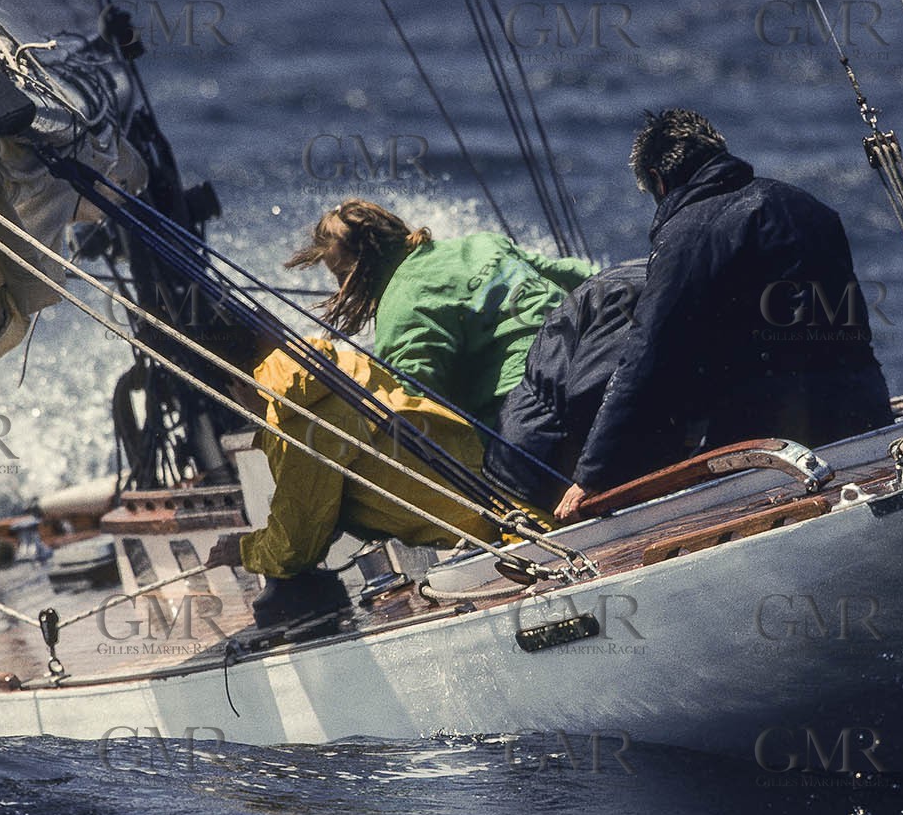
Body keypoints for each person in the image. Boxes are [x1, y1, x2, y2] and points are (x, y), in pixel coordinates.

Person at [556, 109, 893, 521]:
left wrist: (592, 475)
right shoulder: (808, 207)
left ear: (659, 181)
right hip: (867, 411)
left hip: (774, 439)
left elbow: (647, 355)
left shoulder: (688, 232)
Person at [205, 337, 497, 625]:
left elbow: (295, 546)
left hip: (485, 543)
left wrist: (244, 550)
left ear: (239, 383)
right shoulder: (344, 364)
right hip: (503, 503)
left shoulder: (291, 417)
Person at [285, 199, 594, 430]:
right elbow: (576, 274)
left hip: (534, 408)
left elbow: (415, 409)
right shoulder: (481, 242)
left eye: (343, 275)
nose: (342, 289)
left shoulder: (402, 305)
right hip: (592, 357)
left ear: (364, 267)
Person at [485, 259, 646, 510]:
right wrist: (594, 474)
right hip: (544, 465)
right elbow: (588, 397)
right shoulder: (644, 298)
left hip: (522, 427)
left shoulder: (631, 274)